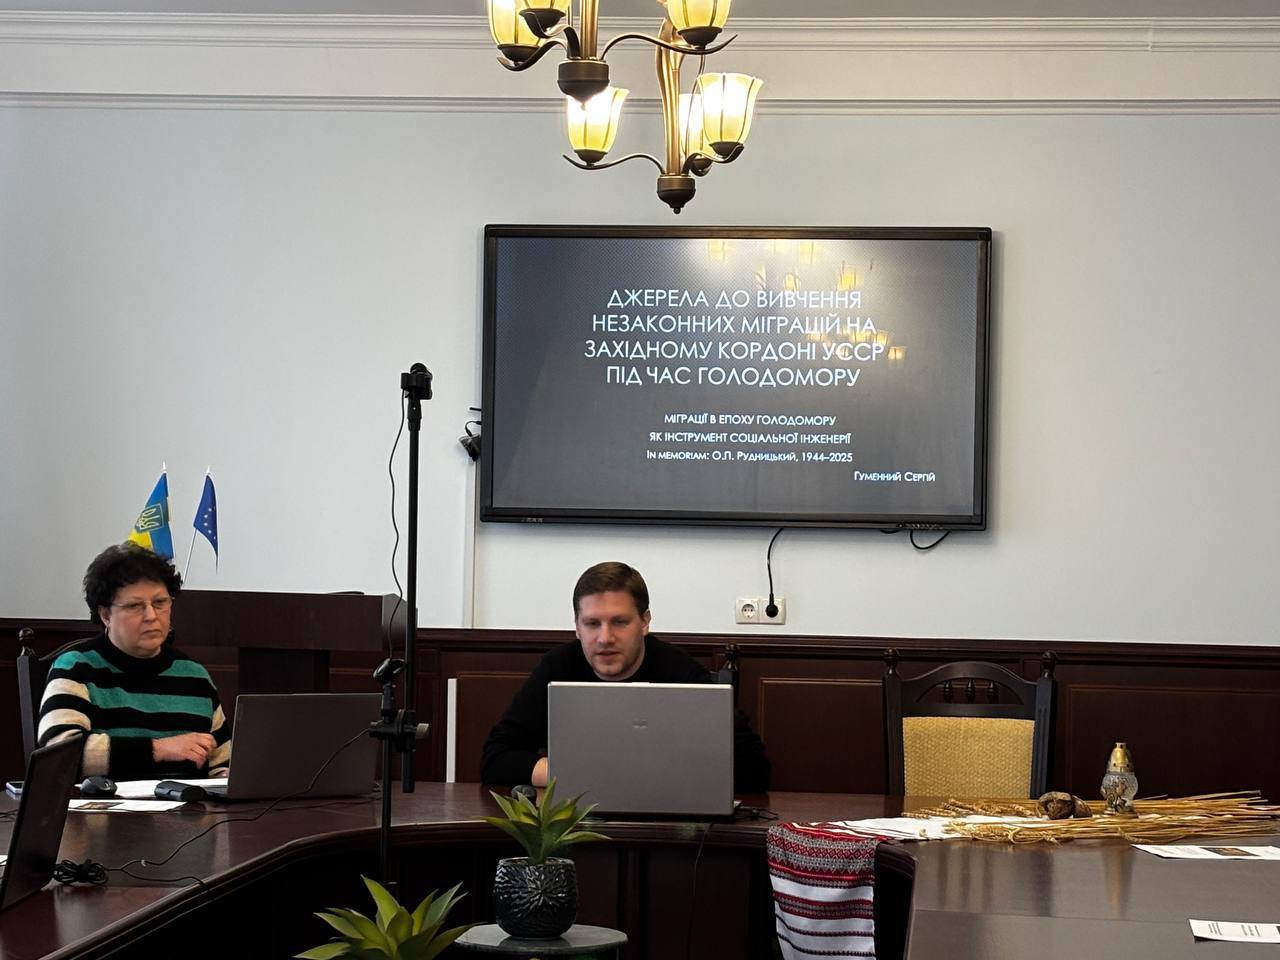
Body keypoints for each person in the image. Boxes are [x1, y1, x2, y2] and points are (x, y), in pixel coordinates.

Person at [480, 561, 771, 793]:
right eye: (592, 623)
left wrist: (645, 774)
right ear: (577, 626)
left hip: (665, 824)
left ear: (644, 622)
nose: (605, 638)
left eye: (620, 622)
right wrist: (580, 773)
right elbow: (495, 758)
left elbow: (755, 768)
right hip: (576, 822)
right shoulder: (557, 667)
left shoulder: (681, 671)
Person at [37, 542, 232, 780]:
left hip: (192, 803)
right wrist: (160, 749)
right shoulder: (76, 668)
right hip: (104, 803)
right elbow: (59, 756)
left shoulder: (195, 676)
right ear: (106, 615)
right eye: (135, 606)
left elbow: (221, 765)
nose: (151, 616)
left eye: (160, 603)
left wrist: (230, 779)